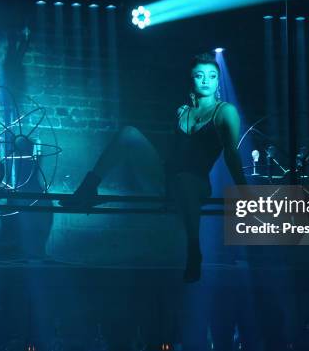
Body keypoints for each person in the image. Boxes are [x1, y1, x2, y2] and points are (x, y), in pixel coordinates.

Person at [61, 52, 247, 282]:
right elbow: (175, 152)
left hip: (196, 183)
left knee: (185, 179)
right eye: (199, 76)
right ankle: (88, 187)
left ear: (219, 80)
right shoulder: (182, 111)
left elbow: (231, 153)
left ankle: (194, 251)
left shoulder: (225, 111)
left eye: (212, 76)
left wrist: (244, 192)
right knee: (129, 133)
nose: (206, 81)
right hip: (167, 178)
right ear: (191, 80)